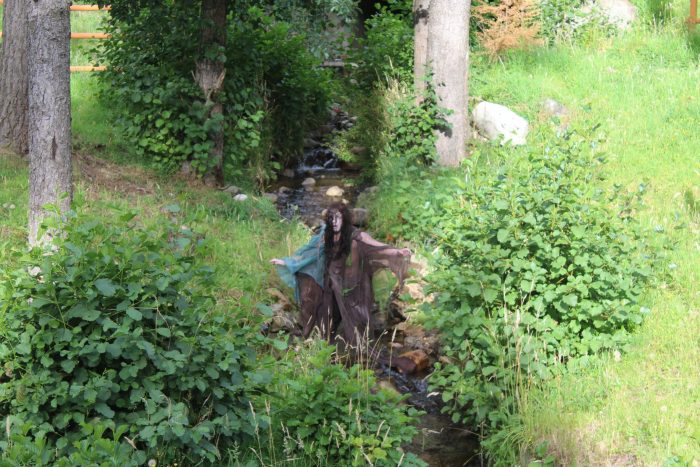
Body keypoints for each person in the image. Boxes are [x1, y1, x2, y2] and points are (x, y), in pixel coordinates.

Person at [270, 202, 411, 362]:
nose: (335, 222)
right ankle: (325, 355)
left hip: (348, 287)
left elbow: (376, 247)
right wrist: (286, 262)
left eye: (338, 218)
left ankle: (359, 356)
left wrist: (397, 252)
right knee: (325, 316)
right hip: (329, 284)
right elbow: (307, 254)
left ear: (344, 219)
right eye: (331, 218)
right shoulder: (326, 235)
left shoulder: (355, 234)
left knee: (354, 320)